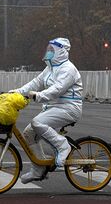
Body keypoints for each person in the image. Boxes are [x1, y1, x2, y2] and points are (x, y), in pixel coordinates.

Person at [14, 37, 82, 184]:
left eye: (52, 50)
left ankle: (63, 146)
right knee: (29, 133)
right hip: (54, 107)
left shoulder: (68, 69)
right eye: (48, 49)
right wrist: (16, 92)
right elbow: (36, 82)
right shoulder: (50, 68)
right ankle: (38, 170)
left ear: (60, 51)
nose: (49, 52)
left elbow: (58, 89)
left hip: (69, 108)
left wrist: (38, 96)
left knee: (37, 123)